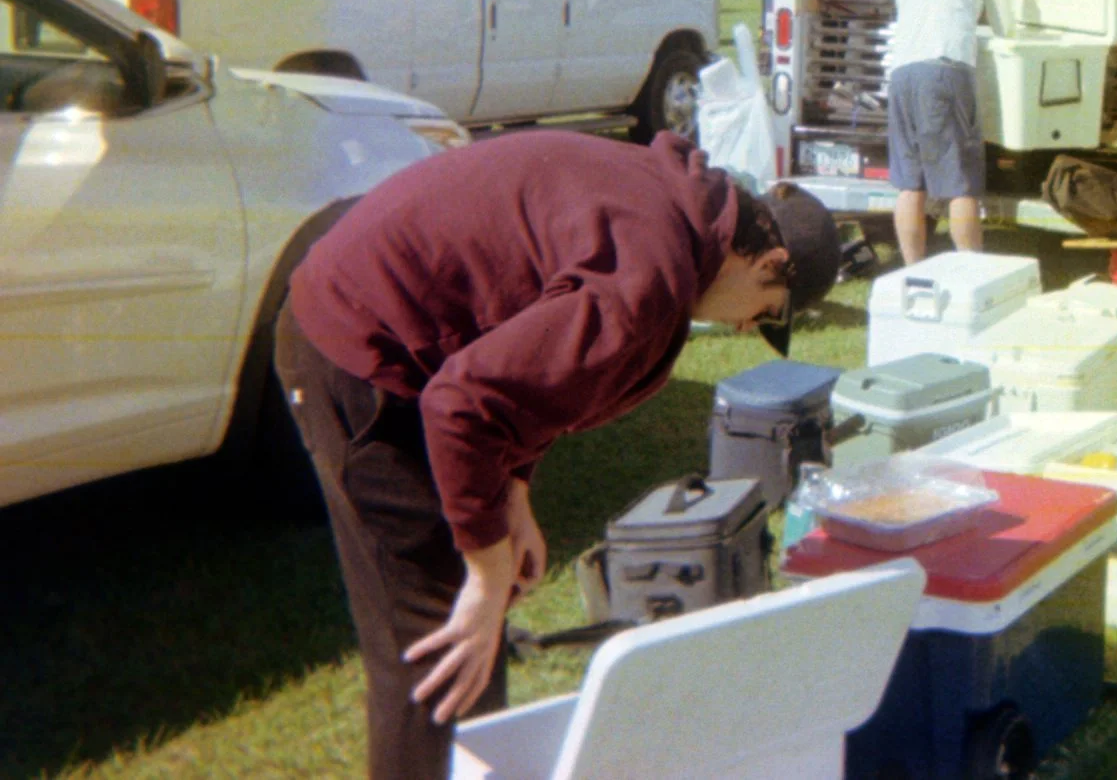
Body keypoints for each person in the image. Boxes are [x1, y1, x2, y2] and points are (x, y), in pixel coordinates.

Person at [275, 130, 842, 780]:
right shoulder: (646, 279)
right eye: (766, 313)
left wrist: (514, 492)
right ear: (769, 260)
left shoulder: (679, 208)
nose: (748, 329)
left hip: (406, 340)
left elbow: (527, 371)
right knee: (438, 657)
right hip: (356, 347)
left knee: (470, 649)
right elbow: (462, 405)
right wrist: (486, 576)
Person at [883, 0, 1013, 264]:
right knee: (960, 182)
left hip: (901, 73)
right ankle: (971, 269)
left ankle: (912, 270)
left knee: (911, 185)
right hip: (945, 68)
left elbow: (909, 11)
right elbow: (1006, 26)